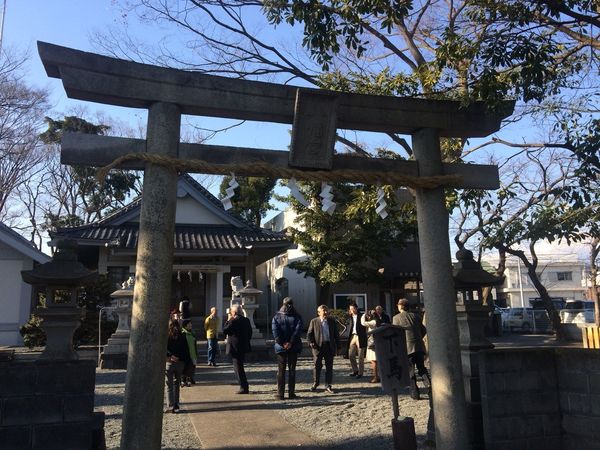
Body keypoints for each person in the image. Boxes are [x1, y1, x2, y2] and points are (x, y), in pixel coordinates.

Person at [393, 298, 430, 400]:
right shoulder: (416, 316)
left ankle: (415, 393)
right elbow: (424, 330)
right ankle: (430, 388)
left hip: (407, 348)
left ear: (400, 306)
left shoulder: (396, 318)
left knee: (411, 371)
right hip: (419, 346)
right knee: (422, 369)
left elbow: (395, 334)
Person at [271, 297, 303, 400]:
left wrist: (282, 343)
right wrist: (291, 342)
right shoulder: (297, 317)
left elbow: (275, 332)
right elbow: (297, 331)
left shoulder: (276, 317)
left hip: (281, 347)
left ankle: (280, 393)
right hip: (293, 346)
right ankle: (291, 393)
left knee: (281, 370)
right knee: (292, 370)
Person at [307, 304, 340, 394]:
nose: (325, 312)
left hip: (329, 346)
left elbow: (336, 335)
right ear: (319, 312)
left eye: (326, 310)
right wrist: (311, 342)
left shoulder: (332, 321)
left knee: (329, 367)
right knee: (317, 366)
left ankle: (328, 385)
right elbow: (309, 334)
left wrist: (338, 346)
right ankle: (315, 383)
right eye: (323, 311)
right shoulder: (314, 321)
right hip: (318, 347)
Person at [223, 304, 253, 394]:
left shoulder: (234, 321)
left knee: (238, 368)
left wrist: (228, 320)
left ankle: (243, 387)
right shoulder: (246, 320)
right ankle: (244, 386)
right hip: (243, 347)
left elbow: (225, 330)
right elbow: (250, 333)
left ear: (234, 312)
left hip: (235, 348)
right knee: (240, 367)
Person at [165, 319, 190, 413]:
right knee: (176, 384)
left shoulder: (167, 336)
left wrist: (170, 356)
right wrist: (181, 359)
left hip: (169, 362)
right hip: (180, 363)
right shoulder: (182, 336)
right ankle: (176, 404)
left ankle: (170, 405)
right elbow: (186, 350)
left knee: (169, 385)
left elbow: (164, 348)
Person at [346, 302, 367, 378]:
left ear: (356, 308)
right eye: (351, 309)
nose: (352, 310)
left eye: (353, 308)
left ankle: (360, 373)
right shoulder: (349, 317)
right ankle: (355, 370)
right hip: (352, 336)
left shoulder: (362, 315)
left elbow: (366, 324)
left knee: (360, 356)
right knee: (351, 354)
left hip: (360, 336)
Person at [361, 309, 380, 383]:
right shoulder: (378, 321)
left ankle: (376, 377)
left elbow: (363, 323)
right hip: (376, 342)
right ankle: (377, 376)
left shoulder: (374, 322)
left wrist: (363, 315)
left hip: (373, 343)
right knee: (376, 361)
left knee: (374, 361)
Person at [181, 319, 198, 386]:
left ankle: (190, 378)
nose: (190, 325)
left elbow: (194, 344)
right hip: (186, 354)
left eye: (191, 324)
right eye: (189, 324)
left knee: (192, 367)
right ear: (185, 326)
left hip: (193, 353)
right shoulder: (183, 333)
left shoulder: (193, 333)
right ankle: (183, 380)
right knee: (185, 367)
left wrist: (196, 353)